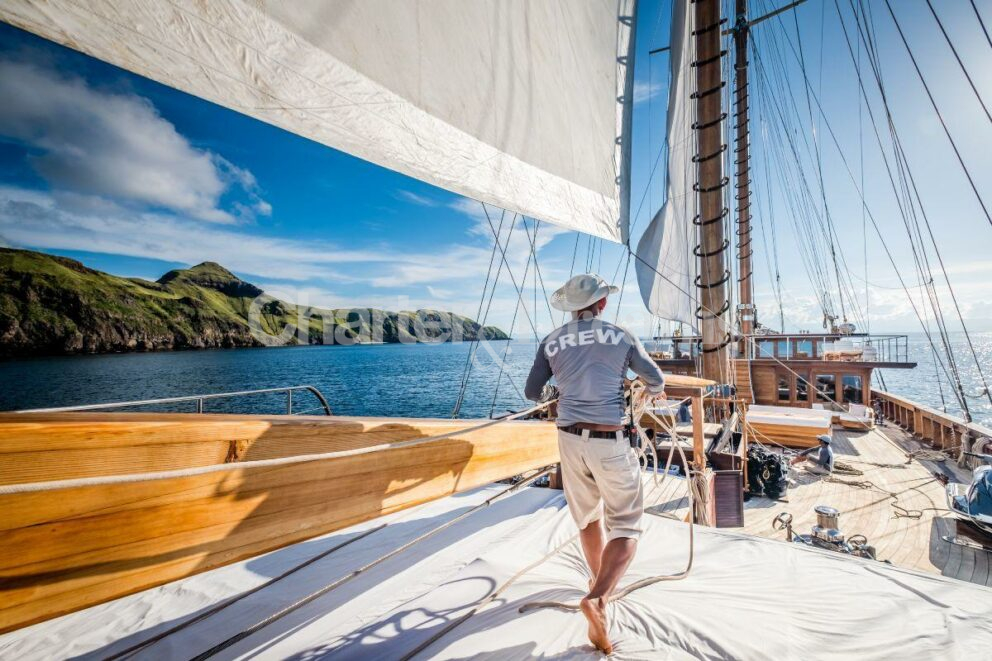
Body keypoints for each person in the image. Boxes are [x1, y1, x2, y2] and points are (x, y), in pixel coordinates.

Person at [524, 273, 666, 654]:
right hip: (610, 439)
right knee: (626, 524)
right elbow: (655, 378)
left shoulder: (551, 340)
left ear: (570, 308)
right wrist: (645, 391)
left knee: (587, 518)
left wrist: (564, 387)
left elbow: (531, 391)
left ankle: (594, 581)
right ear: (602, 304)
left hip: (569, 437)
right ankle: (599, 598)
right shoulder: (620, 335)